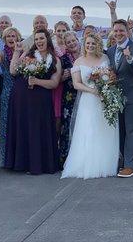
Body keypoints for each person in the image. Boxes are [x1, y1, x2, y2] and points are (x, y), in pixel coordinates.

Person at [61, 34, 120, 179]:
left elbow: (112, 77)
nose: (90, 46)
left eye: (93, 43)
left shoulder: (105, 59)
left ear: (98, 44)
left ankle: (105, 163)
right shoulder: (79, 61)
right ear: (84, 44)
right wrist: (93, 91)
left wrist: (107, 87)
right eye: (88, 43)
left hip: (105, 99)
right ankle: (87, 164)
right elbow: (76, 84)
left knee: (105, 130)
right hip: (88, 100)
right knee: (88, 130)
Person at [5, 29, 61, 175]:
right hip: (21, 98)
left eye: (42, 38)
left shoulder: (55, 59)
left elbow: (54, 83)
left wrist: (37, 81)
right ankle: (22, 163)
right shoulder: (29, 54)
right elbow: (13, 71)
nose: (39, 41)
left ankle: (39, 164)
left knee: (38, 130)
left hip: (41, 101)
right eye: (36, 39)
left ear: (47, 39)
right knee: (24, 129)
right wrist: (17, 52)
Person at [106, 19, 133, 178]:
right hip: (116, 97)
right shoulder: (109, 51)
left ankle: (131, 165)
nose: (118, 33)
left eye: (121, 30)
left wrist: (130, 59)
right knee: (120, 131)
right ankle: (124, 161)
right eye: (115, 31)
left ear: (128, 31)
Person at [0, 26, 22, 167]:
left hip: (21, 92)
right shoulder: (2, 53)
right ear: (4, 39)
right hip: (7, 92)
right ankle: (6, 159)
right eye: (8, 36)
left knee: (20, 125)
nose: (11, 39)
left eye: (13, 36)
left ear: (18, 38)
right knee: (5, 125)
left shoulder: (24, 53)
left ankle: (21, 157)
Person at [58, 31, 81, 168]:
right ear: (65, 45)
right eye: (68, 42)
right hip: (69, 97)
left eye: (73, 40)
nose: (72, 43)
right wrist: (63, 76)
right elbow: (57, 79)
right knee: (67, 126)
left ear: (77, 40)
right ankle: (65, 157)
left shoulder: (85, 54)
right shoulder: (63, 59)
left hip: (84, 95)